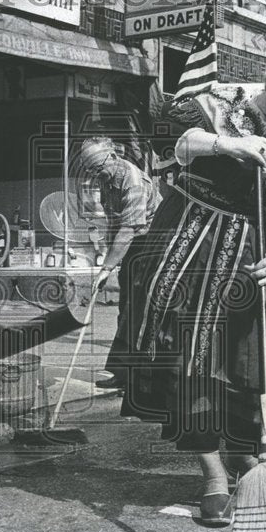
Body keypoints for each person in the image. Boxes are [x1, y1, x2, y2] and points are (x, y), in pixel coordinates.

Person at [120, 13, 266, 525]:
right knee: (192, 360)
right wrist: (229, 144)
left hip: (249, 258)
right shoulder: (216, 104)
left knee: (247, 365)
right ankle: (213, 476)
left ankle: (246, 456)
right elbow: (165, 139)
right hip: (185, 248)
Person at [71, 137, 160, 390]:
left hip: (151, 245)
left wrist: (107, 268)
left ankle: (143, 379)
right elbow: (114, 223)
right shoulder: (106, 178)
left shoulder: (132, 180)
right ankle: (124, 374)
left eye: (97, 168)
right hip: (130, 245)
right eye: (89, 170)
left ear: (111, 156)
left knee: (140, 310)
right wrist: (107, 259)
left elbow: (129, 229)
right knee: (125, 308)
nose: (95, 175)